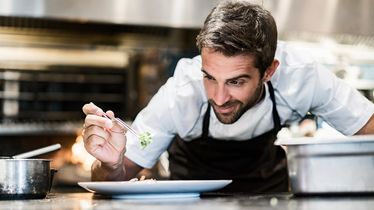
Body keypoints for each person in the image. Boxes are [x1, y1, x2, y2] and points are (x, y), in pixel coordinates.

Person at [82, 0, 374, 193]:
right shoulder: (180, 92)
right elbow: (112, 182)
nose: (219, 97)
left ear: (269, 71)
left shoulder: (302, 76)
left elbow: (368, 127)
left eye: (236, 81)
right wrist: (110, 164)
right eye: (210, 77)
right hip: (192, 199)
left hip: (268, 197)